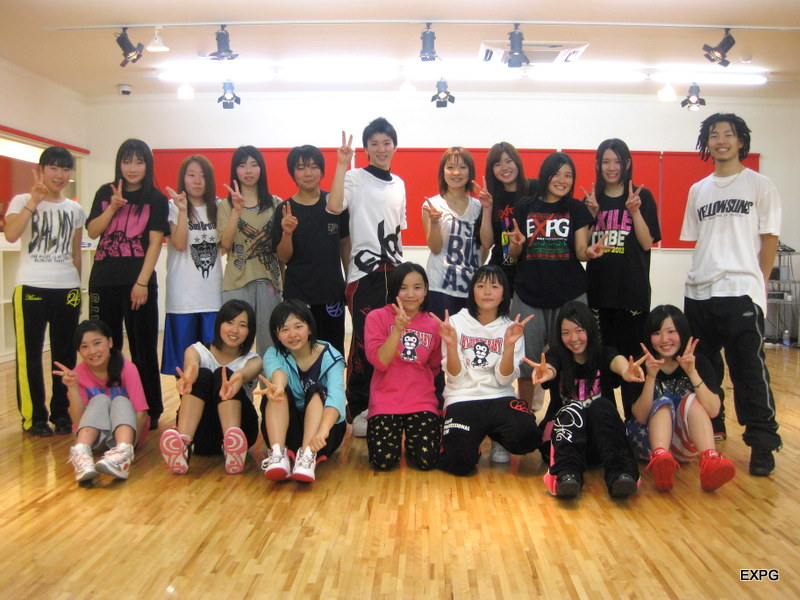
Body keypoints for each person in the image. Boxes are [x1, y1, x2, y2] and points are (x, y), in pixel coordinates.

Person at [680, 113, 781, 476]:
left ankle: (762, 442)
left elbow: (770, 239)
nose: (721, 140)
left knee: (748, 370)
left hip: (740, 291)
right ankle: (713, 423)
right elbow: (699, 240)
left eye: (728, 134)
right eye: (713, 135)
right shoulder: (698, 190)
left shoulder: (760, 185)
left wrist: (758, 283)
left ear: (741, 141)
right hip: (699, 292)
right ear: (706, 143)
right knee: (704, 367)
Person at [508, 152, 606, 412]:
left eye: (568, 175)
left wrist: (590, 253)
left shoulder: (576, 208)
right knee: (527, 362)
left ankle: (561, 413)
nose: (562, 180)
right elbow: (514, 254)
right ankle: (525, 416)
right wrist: (516, 244)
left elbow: (581, 251)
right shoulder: (525, 207)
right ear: (545, 175)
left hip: (569, 296)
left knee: (569, 358)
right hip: (529, 296)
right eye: (557, 174)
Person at [327, 120, 407, 437]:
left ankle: (388, 403)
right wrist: (341, 164)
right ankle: (359, 408)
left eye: (386, 142)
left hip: (395, 273)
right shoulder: (354, 177)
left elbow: (398, 229)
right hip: (364, 275)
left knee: (394, 341)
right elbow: (334, 206)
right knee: (364, 343)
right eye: (374, 143)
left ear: (394, 146)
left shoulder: (399, 183)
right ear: (366, 148)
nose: (381, 148)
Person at [86, 138, 169, 430]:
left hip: (138, 283)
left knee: (143, 348)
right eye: (127, 161)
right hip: (103, 282)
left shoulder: (156, 199)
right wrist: (112, 208)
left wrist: (142, 282)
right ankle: (107, 405)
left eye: (139, 162)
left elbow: (155, 243)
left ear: (147, 165)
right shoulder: (105, 192)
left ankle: (150, 409)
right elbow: (93, 231)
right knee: (105, 348)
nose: (132, 167)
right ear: (119, 163)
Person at [5, 146, 85, 437]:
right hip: (31, 286)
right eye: (53, 168)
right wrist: (34, 201)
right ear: (41, 170)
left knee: (64, 355)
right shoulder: (22, 200)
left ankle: (62, 414)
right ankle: (34, 417)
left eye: (65, 169)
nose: (60, 174)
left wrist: (78, 288)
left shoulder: (75, 210)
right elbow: (11, 234)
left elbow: (76, 254)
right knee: (30, 355)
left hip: (67, 288)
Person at [528, 301, 643, 499]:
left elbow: (616, 361)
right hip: (562, 441)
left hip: (599, 442)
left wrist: (626, 370)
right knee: (571, 409)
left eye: (579, 330)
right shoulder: (555, 355)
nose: (573, 338)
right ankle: (567, 476)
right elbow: (551, 366)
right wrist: (547, 372)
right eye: (566, 333)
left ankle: (621, 474)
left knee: (602, 405)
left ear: (589, 329)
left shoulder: (603, 353)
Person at [435, 265, 541, 476]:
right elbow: (455, 378)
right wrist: (452, 344)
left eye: (494, 286)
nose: (487, 292)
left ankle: (498, 437)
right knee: (459, 462)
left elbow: (504, 380)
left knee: (529, 436)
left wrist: (509, 346)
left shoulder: (511, 327)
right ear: (472, 291)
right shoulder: (455, 323)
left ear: (504, 294)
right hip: (462, 398)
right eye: (481, 285)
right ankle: (471, 441)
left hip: (500, 397)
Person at [624, 305, 736, 492]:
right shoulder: (640, 365)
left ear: (682, 333)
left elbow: (713, 410)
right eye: (657, 333)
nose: (664, 339)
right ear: (649, 337)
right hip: (646, 442)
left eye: (671, 332)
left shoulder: (698, 362)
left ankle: (710, 460)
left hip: (683, 443)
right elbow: (641, 417)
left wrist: (692, 372)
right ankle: (660, 460)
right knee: (664, 402)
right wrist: (650, 376)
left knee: (693, 400)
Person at [159, 299, 261, 475]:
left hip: (242, 430)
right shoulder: (196, 350)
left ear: (250, 331)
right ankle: (183, 444)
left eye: (242, 325)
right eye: (229, 322)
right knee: (203, 374)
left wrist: (235, 380)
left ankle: (232, 447)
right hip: (201, 433)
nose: (235, 330)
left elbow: (243, 374)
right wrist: (188, 379)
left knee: (224, 374)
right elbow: (192, 367)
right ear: (219, 324)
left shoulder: (254, 360)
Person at [582, 138, 661, 366]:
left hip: (632, 294)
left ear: (627, 163)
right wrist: (591, 214)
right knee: (602, 362)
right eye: (606, 162)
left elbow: (646, 243)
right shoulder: (592, 199)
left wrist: (634, 211)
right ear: (598, 165)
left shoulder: (641, 197)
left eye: (617, 161)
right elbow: (582, 248)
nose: (611, 167)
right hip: (598, 293)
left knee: (633, 363)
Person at [272, 145, 350, 355]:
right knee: (299, 353)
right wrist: (287, 233)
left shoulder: (335, 205)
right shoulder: (284, 209)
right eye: (301, 168)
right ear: (293, 173)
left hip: (331, 295)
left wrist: (349, 282)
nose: (308, 173)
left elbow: (345, 244)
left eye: (314, 167)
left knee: (332, 353)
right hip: (298, 296)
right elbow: (283, 257)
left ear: (322, 171)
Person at [364, 263, 442, 471]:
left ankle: (412, 442)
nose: (410, 294)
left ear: (426, 290)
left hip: (421, 401)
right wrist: (397, 330)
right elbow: (380, 362)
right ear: (394, 290)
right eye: (403, 288)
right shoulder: (376, 317)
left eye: (417, 287)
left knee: (426, 461)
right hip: (386, 401)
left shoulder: (433, 324)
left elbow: (434, 366)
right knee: (383, 461)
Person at [258, 299, 347, 483]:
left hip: (322, 435)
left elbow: (337, 397)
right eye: (284, 329)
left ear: (310, 328)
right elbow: (278, 373)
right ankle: (278, 454)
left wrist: (323, 431)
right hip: (286, 432)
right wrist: (278, 387)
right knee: (275, 393)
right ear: (277, 335)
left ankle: (307, 458)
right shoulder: (273, 354)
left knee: (317, 390)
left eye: (298, 327)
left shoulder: (331, 356)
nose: (292, 334)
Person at [55, 320, 149, 483]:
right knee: (100, 399)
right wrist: (73, 388)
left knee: (120, 400)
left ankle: (122, 455)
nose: (92, 351)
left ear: (110, 342)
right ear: (79, 351)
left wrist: (131, 447)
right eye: (84, 347)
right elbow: (79, 421)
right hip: (95, 439)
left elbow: (141, 414)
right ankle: (82, 453)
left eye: (97, 343)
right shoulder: (77, 374)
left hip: (127, 437)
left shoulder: (127, 368)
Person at [217, 145, 282, 355]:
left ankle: (269, 378)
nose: (248, 170)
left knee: (270, 344)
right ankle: (236, 378)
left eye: (253, 165)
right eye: (242, 165)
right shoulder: (226, 205)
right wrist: (237, 211)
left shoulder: (275, 204)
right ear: (235, 170)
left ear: (261, 168)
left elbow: (281, 250)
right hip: (237, 282)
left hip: (269, 281)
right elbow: (225, 244)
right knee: (234, 342)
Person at [161, 155, 223, 376]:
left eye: (203, 176)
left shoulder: (218, 206)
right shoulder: (172, 206)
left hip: (212, 298)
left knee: (213, 364)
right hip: (182, 299)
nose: (197, 181)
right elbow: (179, 244)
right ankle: (185, 399)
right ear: (183, 178)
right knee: (184, 367)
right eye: (191, 175)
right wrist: (183, 210)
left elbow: (224, 245)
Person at [422, 147, 485, 319]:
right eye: (450, 167)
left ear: (470, 171)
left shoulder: (480, 206)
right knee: (441, 334)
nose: (456, 172)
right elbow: (435, 248)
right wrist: (435, 222)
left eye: (462, 167)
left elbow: (483, 248)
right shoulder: (432, 205)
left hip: (471, 288)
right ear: (443, 172)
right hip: (440, 287)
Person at [478, 142, 537, 295]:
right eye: (497, 164)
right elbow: (487, 243)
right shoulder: (491, 196)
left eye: (508, 161)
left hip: (533, 271)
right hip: (502, 274)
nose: (504, 168)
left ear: (517, 162)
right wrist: (487, 208)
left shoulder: (535, 189)